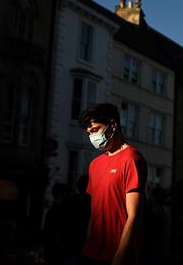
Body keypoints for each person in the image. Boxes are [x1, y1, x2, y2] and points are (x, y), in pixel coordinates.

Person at [78, 103, 147, 265]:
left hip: (115, 255)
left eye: (95, 130)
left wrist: (120, 257)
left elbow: (134, 215)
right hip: (90, 252)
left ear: (113, 125)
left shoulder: (131, 158)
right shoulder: (95, 164)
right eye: (88, 133)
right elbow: (95, 211)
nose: (91, 137)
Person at [44, 183, 70, 265]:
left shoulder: (54, 210)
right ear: (60, 194)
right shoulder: (57, 211)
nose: (68, 195)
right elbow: (55, 231)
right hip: (55, 249)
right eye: (66, 193)